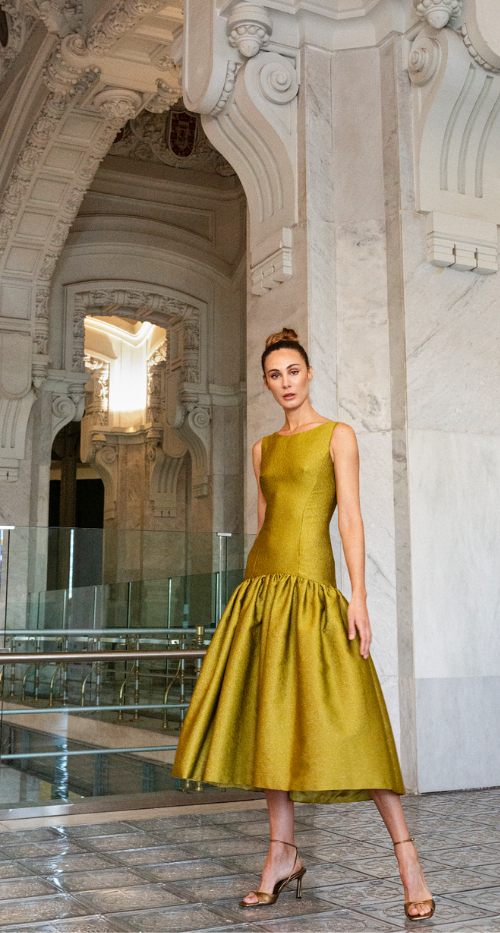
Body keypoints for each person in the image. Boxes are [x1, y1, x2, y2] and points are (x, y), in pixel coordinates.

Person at [173, 328, 434, 921]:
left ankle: (408, 859)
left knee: (354, 722)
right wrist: (247, 599)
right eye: (274, 375)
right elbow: (265, 524)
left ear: (309, 373)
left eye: (293, 371)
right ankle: (280, 856)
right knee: (272, 724)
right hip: (262, 592)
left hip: (315, 591)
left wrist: (358, 598)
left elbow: (351, 522)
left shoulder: (337, 435)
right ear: (266, 383)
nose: (285, 383)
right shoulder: (264, 448)